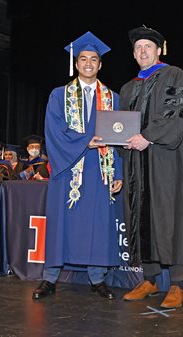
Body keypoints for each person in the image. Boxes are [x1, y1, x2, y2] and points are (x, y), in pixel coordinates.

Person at [32, 31, 122, 300]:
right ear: (76, 63)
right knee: (61, 224)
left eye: (93, 59)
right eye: (83, 58)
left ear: (100, 64)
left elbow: (118, 138)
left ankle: (97, 278)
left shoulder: (113, 98)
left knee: (97, 223)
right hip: (68, 168)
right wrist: (86, 142)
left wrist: (116, 171)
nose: (88, 63)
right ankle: (49, 279)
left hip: (100, 171)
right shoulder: (59, 95)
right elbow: (54, 131)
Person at [118, 26, 183, 309]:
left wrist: (147, 137)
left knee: (171, 215)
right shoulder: (128, 87)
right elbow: (120, 127)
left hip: (166, 162)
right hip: (137, 166)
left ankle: (177, 284)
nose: (143, 51)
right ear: (133, 53)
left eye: (148, 47)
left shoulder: (174, 75)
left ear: (159, 49)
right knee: (141, 217)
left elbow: (179, 115)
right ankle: (150, 280)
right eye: (138, 47)